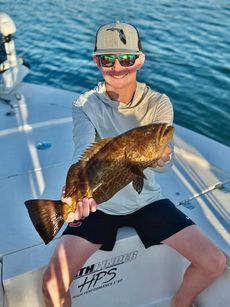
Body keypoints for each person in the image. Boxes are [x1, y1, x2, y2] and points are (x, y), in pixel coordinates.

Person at [42, 21, 226, 307]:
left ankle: (179, 303)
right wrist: (72, 195)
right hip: (98, 206)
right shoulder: (85, 105)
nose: (117, 67)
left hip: (147, 201)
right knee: (53, 284)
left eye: (126, 58)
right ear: (96, 61)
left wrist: (163, 158)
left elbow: (164, 162)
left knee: (215, 262)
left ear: (139, 59)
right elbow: (82, 153)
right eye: (107, 59)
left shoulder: (159, 103)